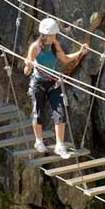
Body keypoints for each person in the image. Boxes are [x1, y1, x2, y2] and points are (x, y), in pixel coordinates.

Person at [23, 18, 88, 159]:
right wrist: (28, 64)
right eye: (51, 35)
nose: (53, 37)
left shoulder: (54, 45)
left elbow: (64, 59)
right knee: (37, 112)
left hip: (52, 83)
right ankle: (38, 141)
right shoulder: (35, 47)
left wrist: (80, 53)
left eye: (54, 35)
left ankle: (60, 145)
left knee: (60, 112)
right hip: (38, 83)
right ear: (43, 34)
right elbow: (26, 72)